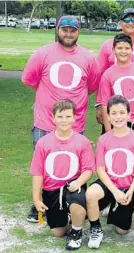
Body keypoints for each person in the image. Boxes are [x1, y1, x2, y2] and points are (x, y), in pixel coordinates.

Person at [22, 15, 100, 223]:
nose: (68, 33)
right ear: (57, 30)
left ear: (78, 32)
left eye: (72, 30)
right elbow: (29, 79)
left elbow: (92, 85)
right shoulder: (43, 53)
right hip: (45, 121)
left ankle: (69, 202)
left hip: (75, 121)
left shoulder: (87, 58)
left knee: (70, 163)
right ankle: (39, 202)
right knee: (44, 164)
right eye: (64, 29)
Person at [30, 99, 95, 251]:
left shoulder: (82, 142)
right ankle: (68, 217)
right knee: (58, 232)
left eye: (67, 116)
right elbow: (37, 172)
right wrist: (36, 198)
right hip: (52, 190)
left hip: (72, 186)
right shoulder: (43, 143)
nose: (64, 120)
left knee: (76, 200)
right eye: (60, 117)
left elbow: (88, 169)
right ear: (53, 118)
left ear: (74, 118)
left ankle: (77, 230)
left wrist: (79, 182)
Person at [85, 95, 134, 249]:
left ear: (129, 115)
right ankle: (95, 228)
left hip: (126, 187)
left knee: (122, 231)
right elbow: (100, 168)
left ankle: (114, 207)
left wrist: (130, 190)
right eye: (113, 113)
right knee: (91, 193)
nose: (118, 117)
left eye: (121, 112)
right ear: (109, 116)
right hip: (109, 184)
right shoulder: (104, 139)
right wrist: (114, 191)